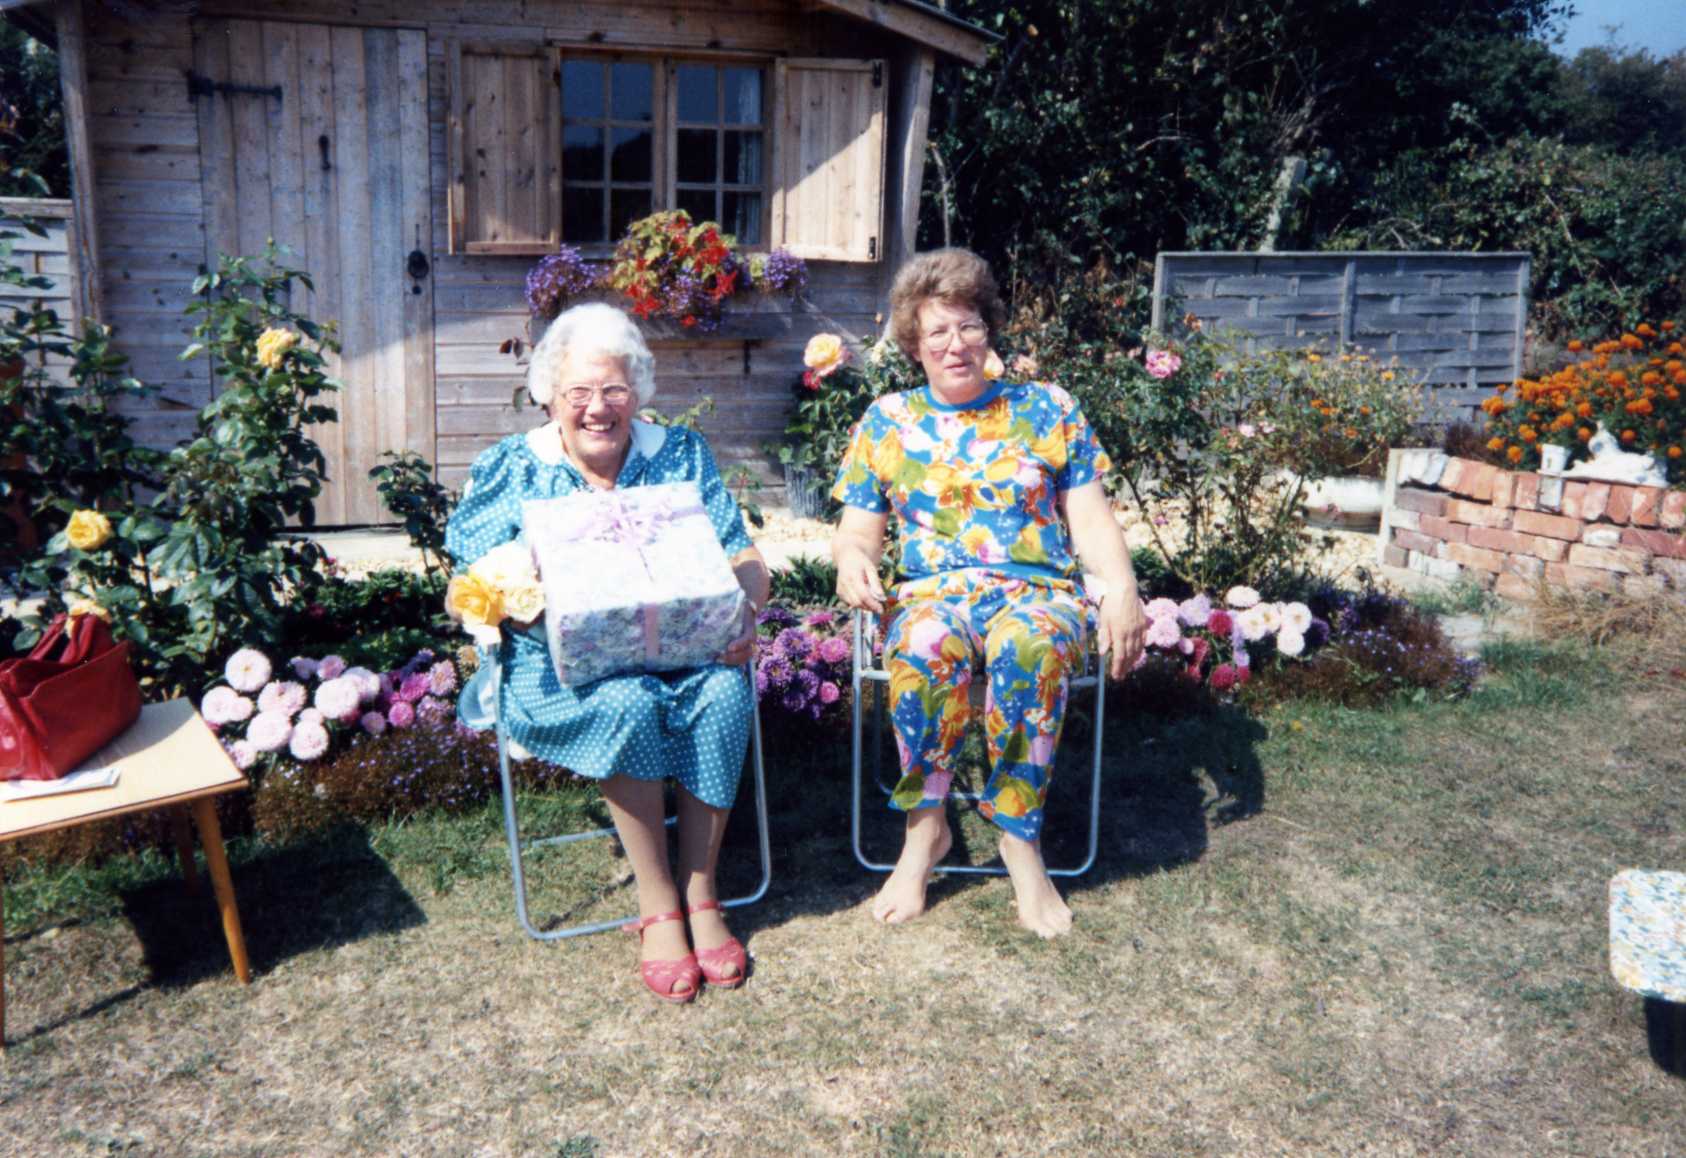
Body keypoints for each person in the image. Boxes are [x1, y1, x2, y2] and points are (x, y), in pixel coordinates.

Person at [448, 302, 770, 1002]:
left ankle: (702, 893)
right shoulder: (511, 467)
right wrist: (519, 593)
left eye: (615, 390)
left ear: (638, 392)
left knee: (724, 692)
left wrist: (745, 606)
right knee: (626, 702)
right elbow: (464, 585)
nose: (598, 408)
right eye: (579, 392)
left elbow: (742, 554)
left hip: (684, 652)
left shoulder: (679, 453)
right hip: (560, 669)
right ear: (549, 396)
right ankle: (658, 903)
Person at [830, 248, 1145, 938]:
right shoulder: (886, 420)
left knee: (1029, 645)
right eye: (937, 331)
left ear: (990, 330)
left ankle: (1019, 840)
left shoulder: (1048, 408)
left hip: (1037, 590)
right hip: (932, 592)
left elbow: (1092, 519)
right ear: (913, 344)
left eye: (968, 325)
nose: (956, 344)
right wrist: (851, 562)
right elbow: (856, 532)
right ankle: (926, 832)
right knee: (922, 642)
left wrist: (1122, 588)